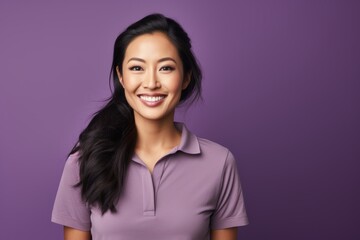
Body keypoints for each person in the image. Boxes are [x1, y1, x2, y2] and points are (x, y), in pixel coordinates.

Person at [51, 13, 248, 240]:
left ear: (185, 78)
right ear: (121, 77)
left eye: (166, 68)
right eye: (137, 68)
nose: (151, 83)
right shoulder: (85, 159)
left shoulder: (219, 163)